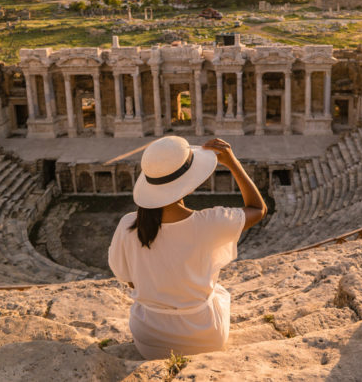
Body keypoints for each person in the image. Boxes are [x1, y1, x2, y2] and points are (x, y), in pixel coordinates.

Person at [108, 136, 267, 359]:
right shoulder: (211, 222)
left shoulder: (128, 225)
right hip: (203, 337)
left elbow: (127, 277)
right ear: (188, 184)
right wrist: (233, 163)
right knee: (218, 292)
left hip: (149, 338)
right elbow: (258, 208)